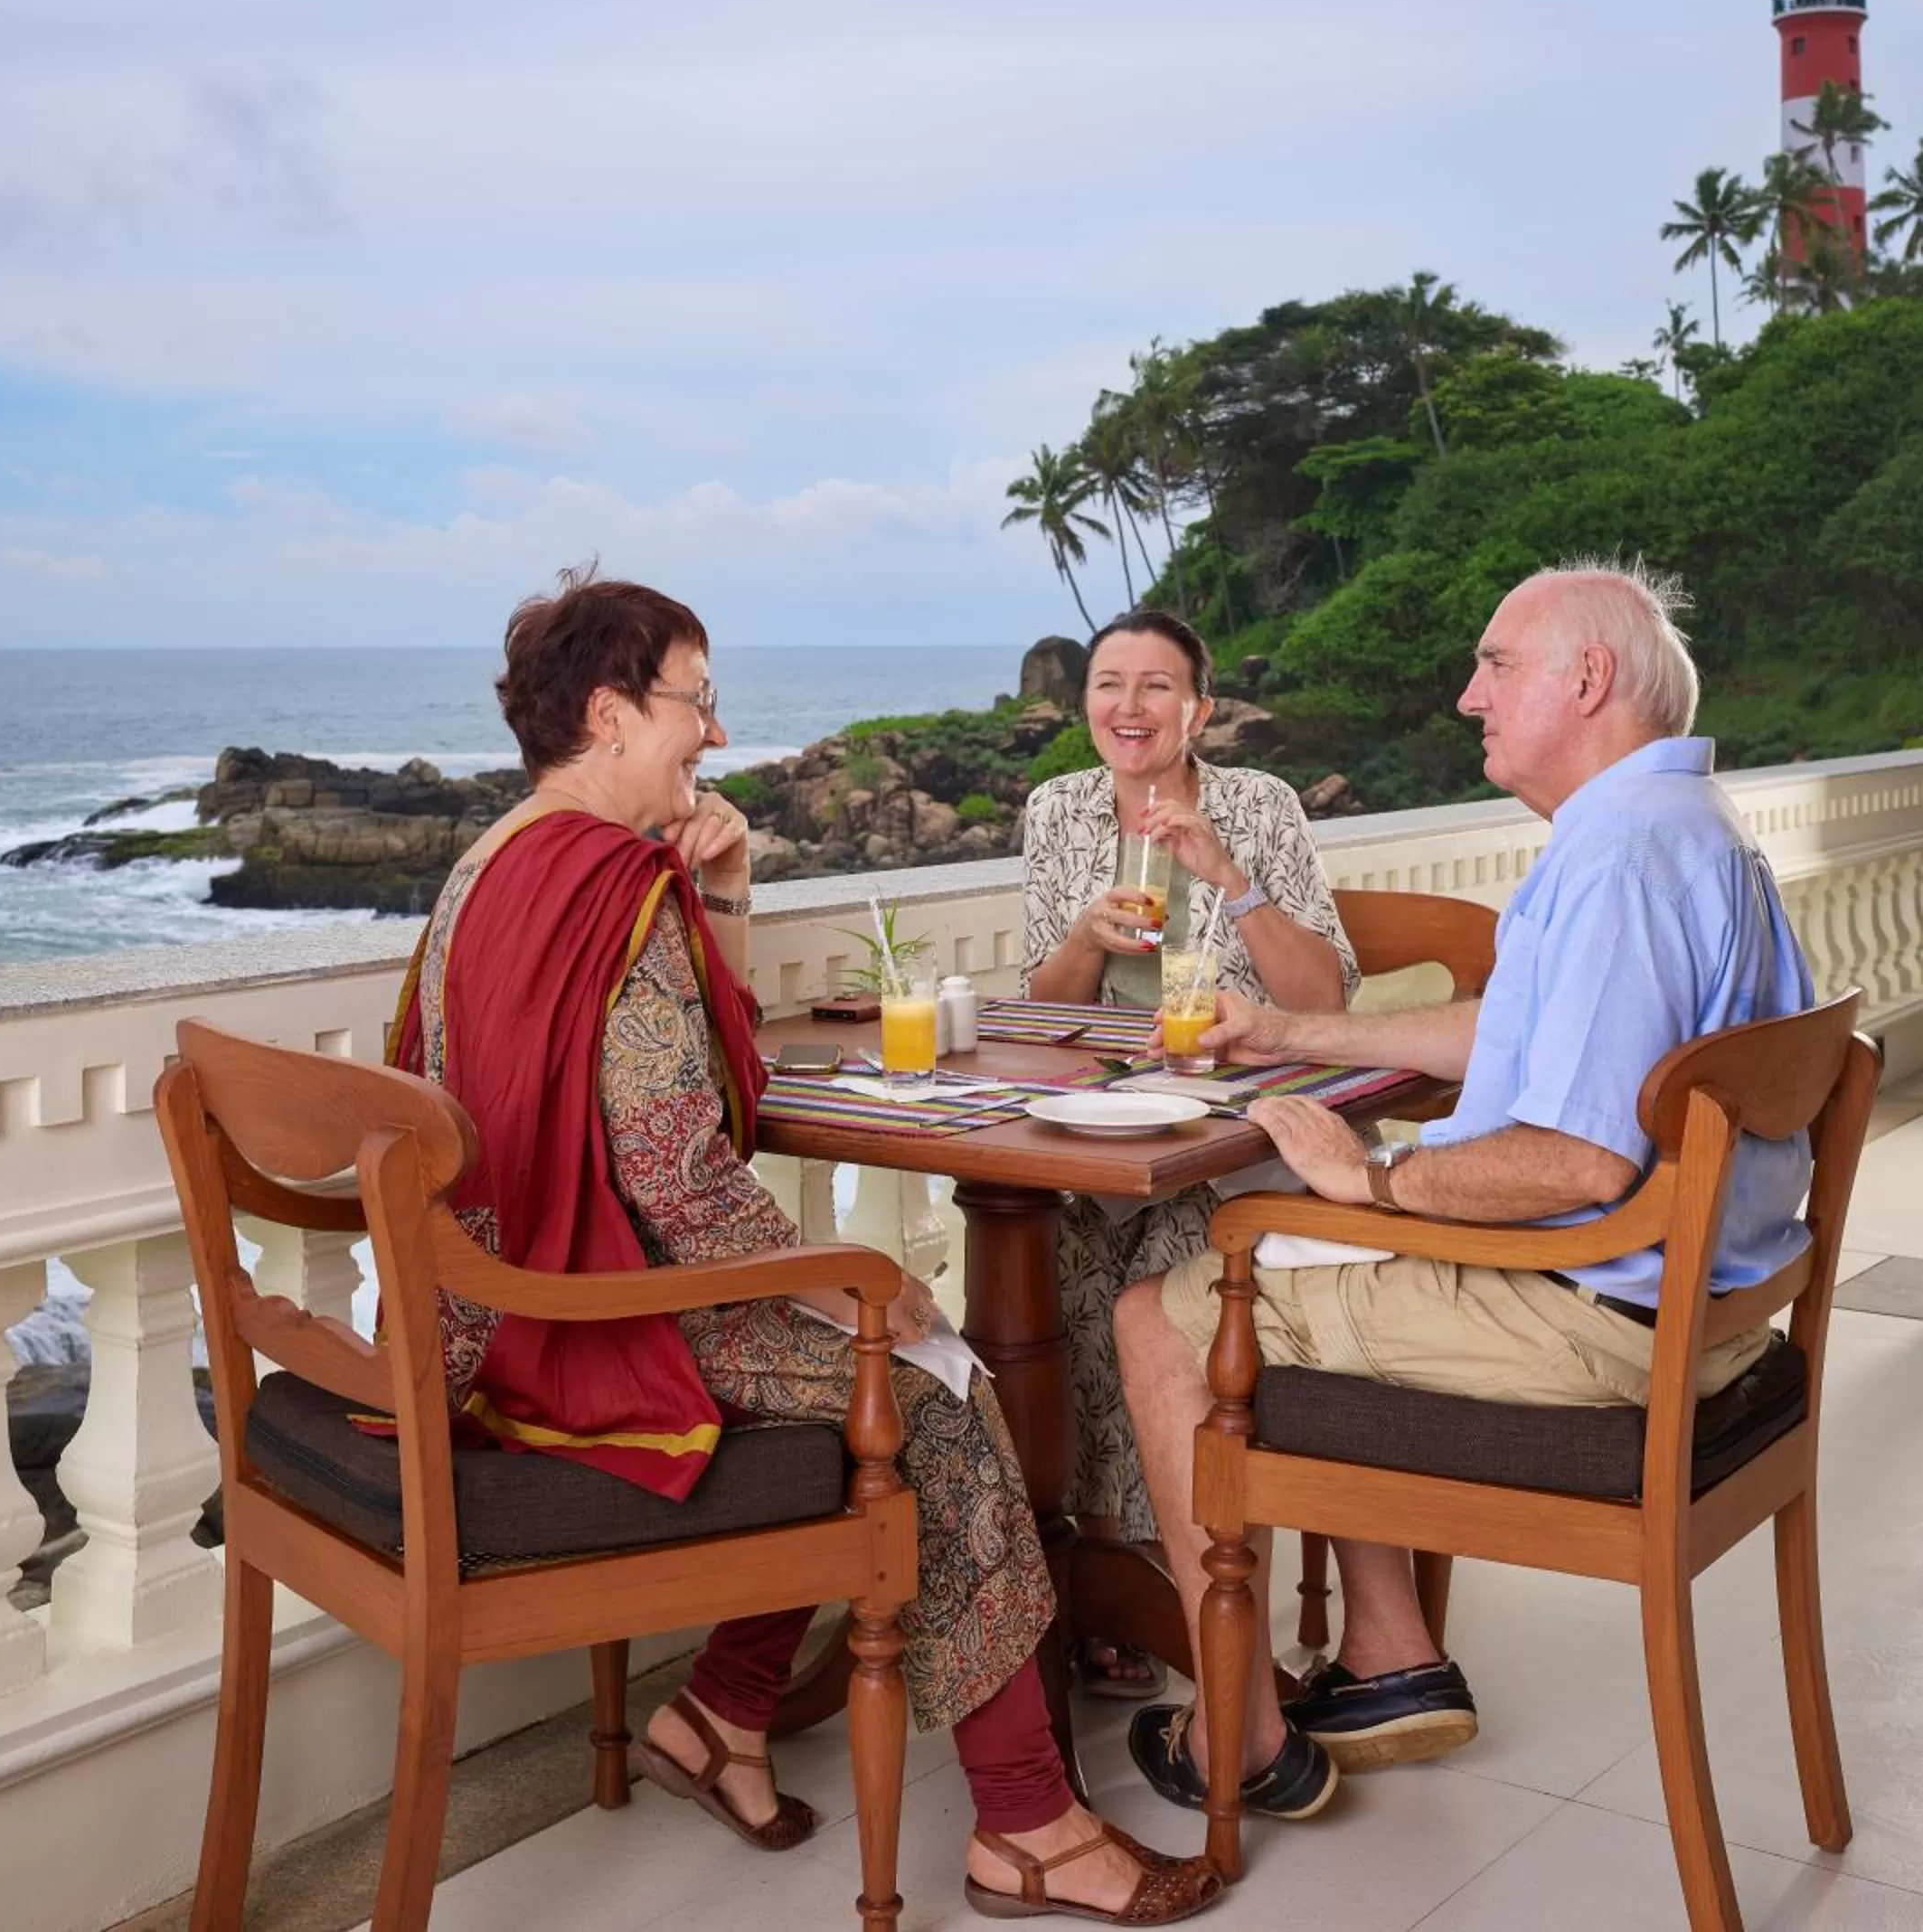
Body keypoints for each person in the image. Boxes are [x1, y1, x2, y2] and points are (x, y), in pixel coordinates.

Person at [391, 568, 1219, 1927]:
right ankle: (1025, 1823)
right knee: (943, 1387)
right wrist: (853, 1292)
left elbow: (662, 1092)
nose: (711, 736)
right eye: (693, 704)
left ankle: (719, 1712)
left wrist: (721, 892)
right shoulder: (607, 880)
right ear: (609, 712)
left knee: (888, 1361)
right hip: (590, 1321)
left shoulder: (489, 863)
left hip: (483, 1315)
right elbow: (674, 1161)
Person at [1114, 561, 1814, 1822]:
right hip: (1693, 1313)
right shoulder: (1674, 829)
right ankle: (1388, 1659)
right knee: (1294, 1255)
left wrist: (1377, 1178)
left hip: (1591, 1328)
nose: (1463, 696)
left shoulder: (1621, 861)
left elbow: (1577, 1163)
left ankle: (1243, 1732)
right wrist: (1285, 1034)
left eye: (1494, 665)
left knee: (1162, 1314)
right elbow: (1517, 1031)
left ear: (1586, 680)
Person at [1022, 609, 1356, 1706]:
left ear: (1200, 710)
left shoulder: (1259, 806)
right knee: (1044, 1261)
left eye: (1156, 686)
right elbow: (1039, 1012)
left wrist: (1231, 879)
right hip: (1100, 1121)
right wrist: (1084, 938)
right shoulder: (1059, 809)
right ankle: (1095, 1562)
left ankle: (1177, 1576)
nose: (1128, 707)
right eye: (1108, 684)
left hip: (1234, 1121)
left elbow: (1322, 999)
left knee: (1172, 1256)